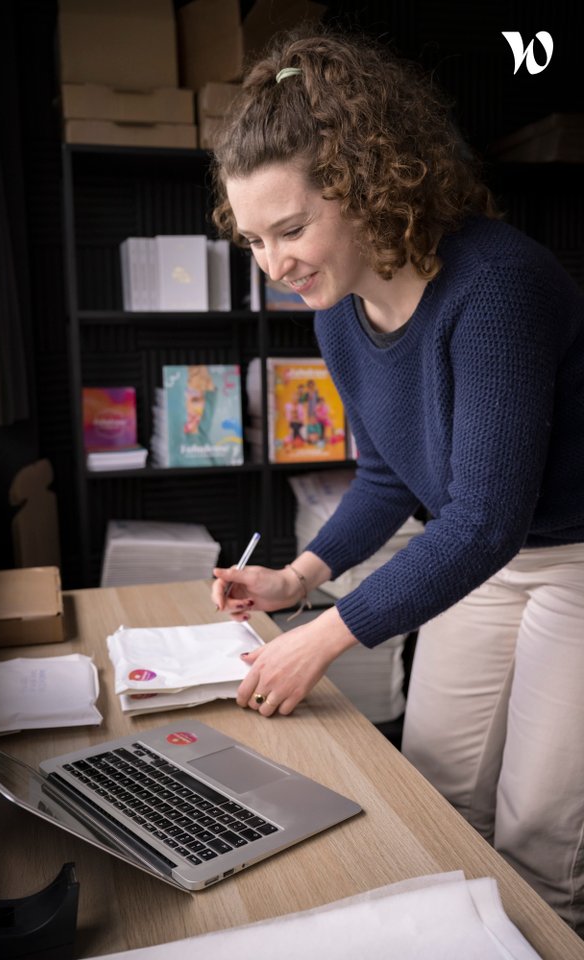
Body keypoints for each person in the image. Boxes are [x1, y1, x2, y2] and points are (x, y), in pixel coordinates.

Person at [209, 26, 584, 934]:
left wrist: (323, 637)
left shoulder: (496, 287)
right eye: (254, 239)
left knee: (541, 830)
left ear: (369, 183)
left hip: (573, 561)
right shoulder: (337, 312)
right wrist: (298, 578)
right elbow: (388, 476)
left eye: (291, 229)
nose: (275, 265)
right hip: (484, 559)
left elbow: (487, 519)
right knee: (440, 796)